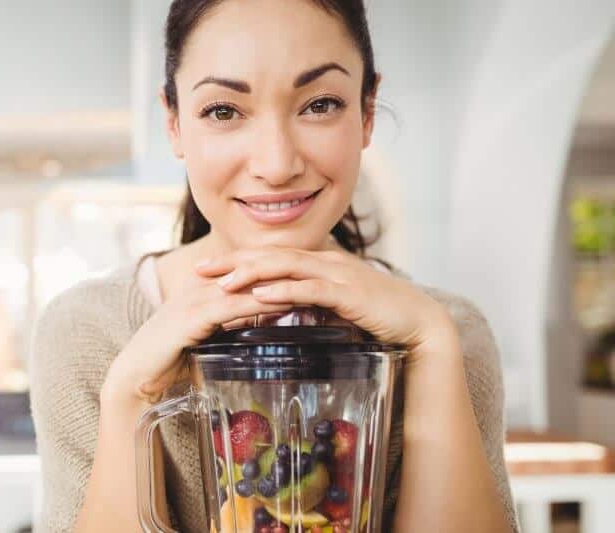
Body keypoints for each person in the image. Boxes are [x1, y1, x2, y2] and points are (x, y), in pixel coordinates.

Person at [29, 0, 519, 532]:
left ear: (367, 111)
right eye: (223, 111)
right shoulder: (88, 334)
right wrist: (128, 395)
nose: (277, 163)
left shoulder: (452, 332)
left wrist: (430, 344)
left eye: (320, 104)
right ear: (173, 123)